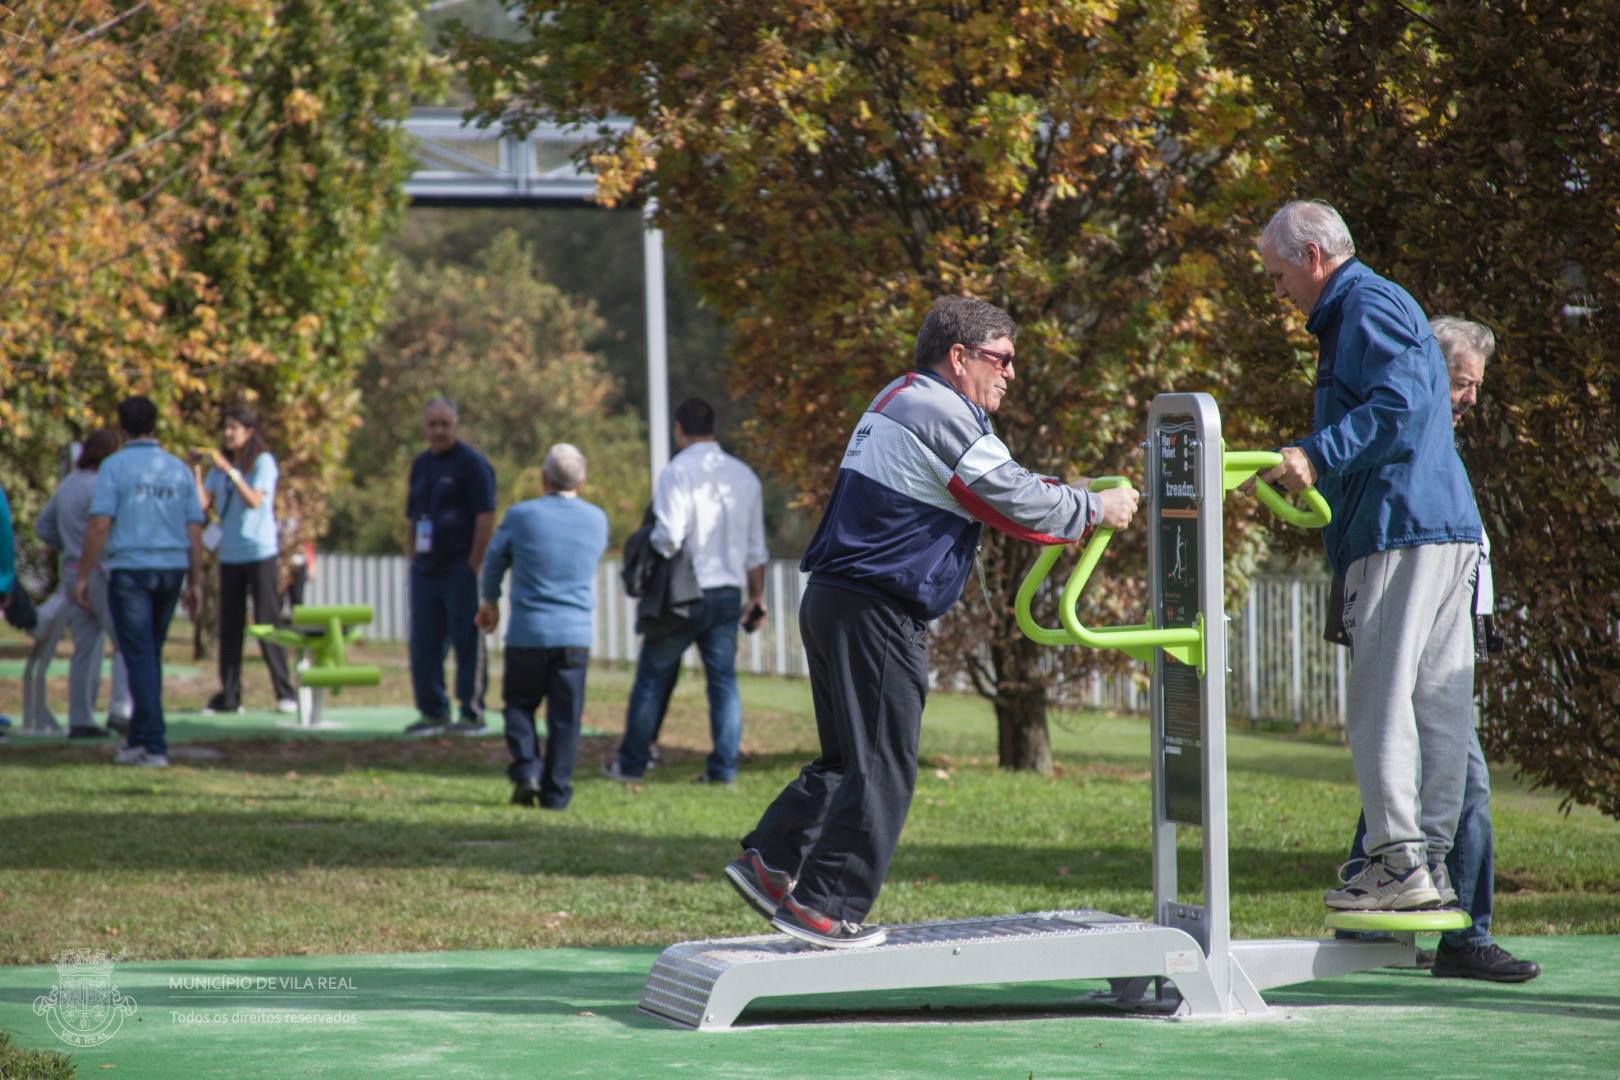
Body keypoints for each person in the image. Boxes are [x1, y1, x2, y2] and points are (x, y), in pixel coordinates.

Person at [723, 296, 1141, 948]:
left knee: (847, 758)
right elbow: (1008, 500)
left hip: (835, 599)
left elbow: (991, 486)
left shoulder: (902, 398)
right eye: (1000, 359)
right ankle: (823, 909)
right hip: (877, 609)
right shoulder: (941, 412)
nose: (1010, 374)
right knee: (884, 765)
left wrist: (1065, 491)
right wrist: (1094, 509)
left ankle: (771, 862)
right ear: (959, 356)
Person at [1256, 200, 1482, 912]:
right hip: (1440, 524)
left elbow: (1400, 407)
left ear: (1315, 258)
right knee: (1439, 701)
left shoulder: (1365, 306)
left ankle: (1398, 863)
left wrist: (1315, 455)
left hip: (1398, 525)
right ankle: (1432, 867)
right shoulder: (1370, 307)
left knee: (1380, 702)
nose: (1278, 289)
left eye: (1279, 274)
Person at [1339, 316, 1539, 981]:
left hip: (1452, 633)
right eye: (1461, 383)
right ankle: (1462, 935)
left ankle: (1376, 898)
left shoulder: (1439, 455)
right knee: (1460, 779)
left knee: (1412, 765)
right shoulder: (1414, 444)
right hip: (1426, 626)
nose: (1469, 401)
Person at [605, 398, 767, 785]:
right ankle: (723, 770)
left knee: (652, 677)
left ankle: (631, 763)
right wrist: (756, 597)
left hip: (684, 592)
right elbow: (755, 550)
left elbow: (669, 536)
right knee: (723, 684)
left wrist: (648, 543)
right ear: (713, 428)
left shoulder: (677, 472)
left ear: (679, 429)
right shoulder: (744, 476)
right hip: (728, 593)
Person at [75, 396, 206, 768]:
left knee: (139, 655)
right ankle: (137, 739)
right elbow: (194, 528)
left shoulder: (114, 467)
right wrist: (196, 581)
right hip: (171, 570)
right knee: (148, 655)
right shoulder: (178, 470)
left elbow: (100, 524)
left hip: (131, 570)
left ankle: (154, 744)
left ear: (121, 427)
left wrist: (83, 574)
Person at [476, 444, 608, 810]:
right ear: (582, 480)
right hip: (576, 636)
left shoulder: (521, 516)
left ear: (543, 477)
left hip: (528, 633)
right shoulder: (598, 519)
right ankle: (556, 792)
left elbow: (493, 559)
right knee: (566, 718)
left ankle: (526, 770)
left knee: (519, 705)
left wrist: (489, 601)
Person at [193, 405, 296, 715]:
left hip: (259, 552)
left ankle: (284, 692)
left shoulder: (262, 462)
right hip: (230, 555)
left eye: (234, 428)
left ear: (249, 432)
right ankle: (230, 696)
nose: (227, 433)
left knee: (267, 621)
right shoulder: (218, 469)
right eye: (225, 427)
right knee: (230, 627)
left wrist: (232, 473)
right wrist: (198, 471)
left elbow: (254, 501)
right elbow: (201, 505)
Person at [404, 396, 495, 737]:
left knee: (467, 639)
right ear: (424, 428)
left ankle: (471, 713)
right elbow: (411, 517)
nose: (439, 431)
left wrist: (473, 564)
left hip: (460, 569)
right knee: (424, 643)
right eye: (433, 425)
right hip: (426, 570)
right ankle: (432, 712)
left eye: (445, 424)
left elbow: (485, 517)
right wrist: (413, 558)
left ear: (456, 425)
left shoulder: (472, 464)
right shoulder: (421, 465)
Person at [35, 429, 133, 737]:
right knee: (125, 642)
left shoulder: (67, 485)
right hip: (100, 571)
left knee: (84, 648)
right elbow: (103, 528)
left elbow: (43, 527)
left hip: (71, 570)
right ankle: (121, 709)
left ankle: (80, 717)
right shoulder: (103, 486)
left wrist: (66, 544)